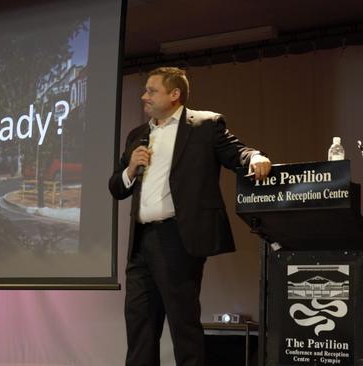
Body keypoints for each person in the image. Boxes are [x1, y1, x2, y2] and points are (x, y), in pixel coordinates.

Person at [108, 67, 271, 365]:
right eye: (144, 90)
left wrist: (256, 157)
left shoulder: (204, 125)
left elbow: (237, 153)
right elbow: (116, 188)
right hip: (141, 242)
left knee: (183, 327)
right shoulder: (138, 135)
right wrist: (130, 169)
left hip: (178, 238)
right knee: (140, 327)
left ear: (174, 94)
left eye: (151, 91)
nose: (144, 96)